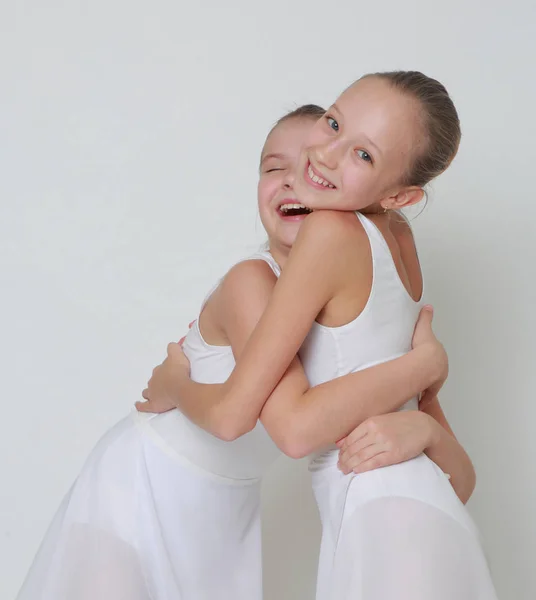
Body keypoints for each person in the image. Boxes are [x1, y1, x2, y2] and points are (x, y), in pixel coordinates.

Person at [16, 101, 451, 600]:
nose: (291, 181)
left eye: (305, 169)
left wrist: (423, 383)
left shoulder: (340, 281)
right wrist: (175, 386)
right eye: (273, 169)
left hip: (223, 499)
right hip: (142, 484)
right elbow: (233, 420)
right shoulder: (253, 281)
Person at [142, 71, 498, 599]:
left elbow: (288, 430)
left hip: (381, 524)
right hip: (426, 515)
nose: (327, 154)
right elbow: (461, 482)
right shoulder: (397, 243)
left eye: (363, 155)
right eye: (333, 123)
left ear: (401, 194)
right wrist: (424, 416)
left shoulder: (330, 233)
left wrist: (174, 383)